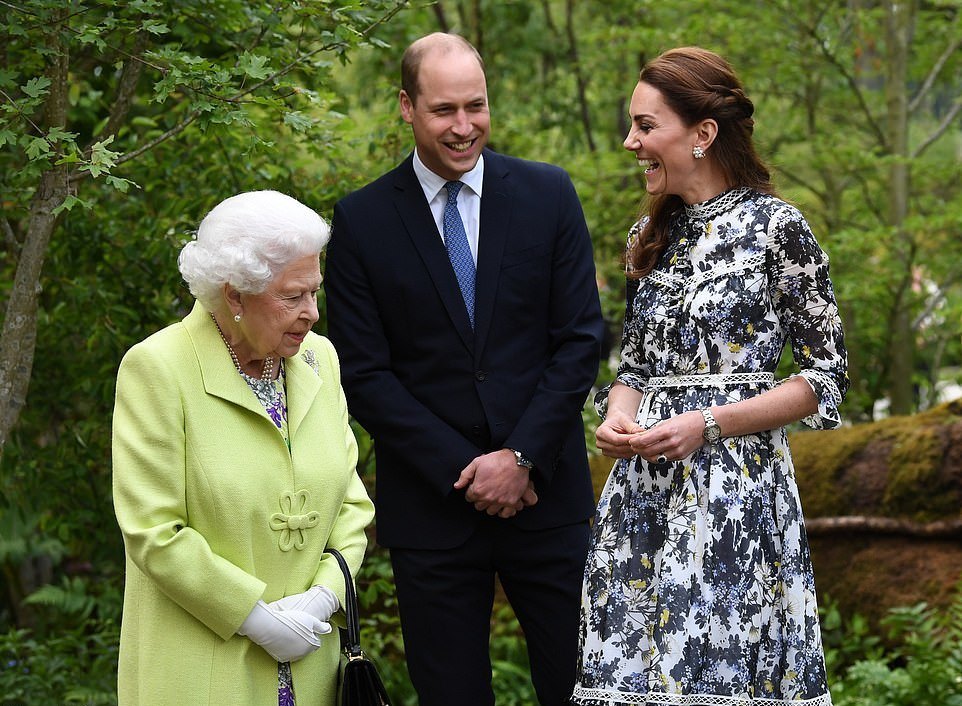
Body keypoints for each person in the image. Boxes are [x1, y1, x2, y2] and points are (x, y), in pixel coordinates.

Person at [324, 31, 605, 706]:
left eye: (475, 106)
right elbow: (365, 375)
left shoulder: (547, 194)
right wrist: (469, 472)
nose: (463, 126)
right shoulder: (360, 221)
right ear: (406, 107)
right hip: (432, 511)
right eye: (444, 109)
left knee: (585, 690)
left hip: (548, 497)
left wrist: (521, 457)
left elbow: (579, 340)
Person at [572, 47, 848, 706]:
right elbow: (634, 365)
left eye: (645, 126)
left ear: (702, 133)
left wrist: (708, 423)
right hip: (644, 497)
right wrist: (617, 415)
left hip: (738, 497)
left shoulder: (778, 229)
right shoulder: (648, 235)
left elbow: (825, 377)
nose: (630, 141)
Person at [112, 190, 375, 706]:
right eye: (292, 297)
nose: (312, 314)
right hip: (202, 666)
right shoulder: (158, 368)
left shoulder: (319, 359)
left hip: (311, 661)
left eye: (314, 293)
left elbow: (350, 502)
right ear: (234, 296)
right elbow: (153, 529)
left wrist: (322, 599)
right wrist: (254, 616)